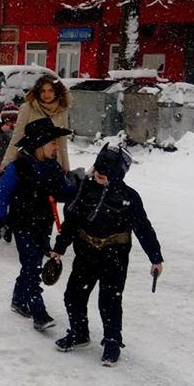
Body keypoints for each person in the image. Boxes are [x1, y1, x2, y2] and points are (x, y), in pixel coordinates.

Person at [51, 144, 164, 367]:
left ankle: (112, 341)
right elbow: (71, 222)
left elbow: (143, 228)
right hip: (86, 252)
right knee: (73, 294)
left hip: (115, 255)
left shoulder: (129, 197)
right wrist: (59, 248)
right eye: (99, 169)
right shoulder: (85, 189)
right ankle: (79, 332)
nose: (100, 174)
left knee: (110, 300)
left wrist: (156, 257)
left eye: (108, 171)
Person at [0, 118, 76, 331]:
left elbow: (62, 192)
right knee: (32, 266)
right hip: (22, 224)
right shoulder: (18, 168)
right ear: (39, 144)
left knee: (32, 263)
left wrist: (78, 186)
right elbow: (2, 193)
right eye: (53, 143)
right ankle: (38, 312)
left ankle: (18, 300)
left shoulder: (53, 168)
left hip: (43, 224)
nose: (57, 147)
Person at [2, 75, 72, 171]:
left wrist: (65, 167)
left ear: (57, 91)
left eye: (50, 90)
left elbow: (62, 143)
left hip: (53, 163)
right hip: (31, 162)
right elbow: (17, 137)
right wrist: (7, 162)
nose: (46, 94)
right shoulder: (28, 108)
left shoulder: (61, 110)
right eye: (43, 91)